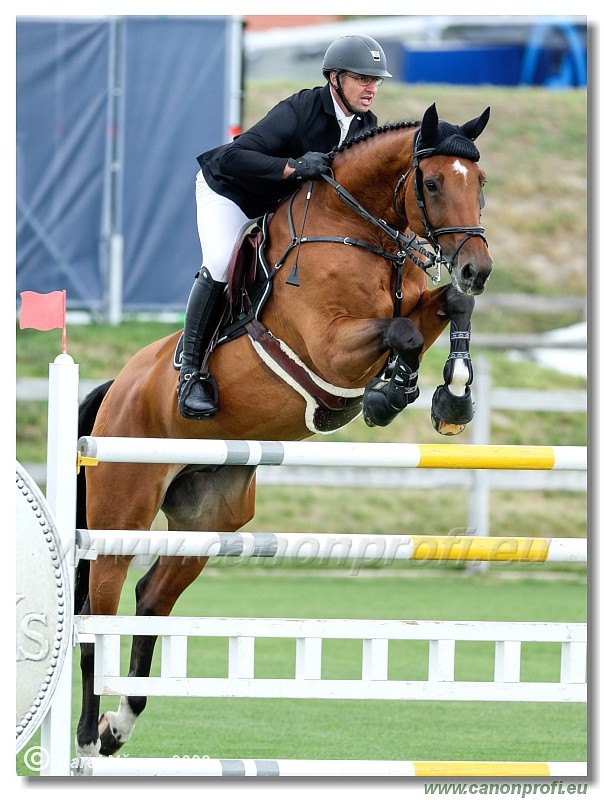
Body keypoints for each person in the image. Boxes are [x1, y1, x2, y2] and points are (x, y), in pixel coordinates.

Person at [178, 34, 391, 420]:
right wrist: (291, 167)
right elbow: (237, 156)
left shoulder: (366, 125)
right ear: (335, 78)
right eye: (362, 78)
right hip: (230, 192)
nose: (371, 88)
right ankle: (190, 371)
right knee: (221, 264)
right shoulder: (300, 109)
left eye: (375, 80)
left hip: (281, 206)